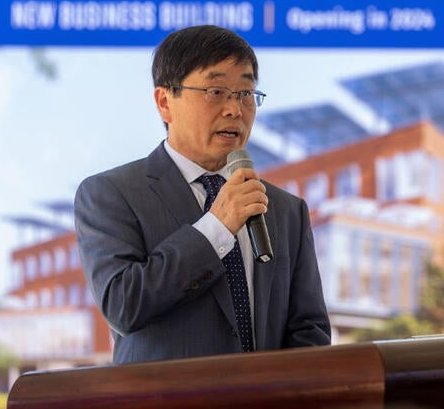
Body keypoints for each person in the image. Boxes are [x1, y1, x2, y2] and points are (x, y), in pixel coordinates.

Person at [74, 25, 331, 364]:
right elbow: (124, 306)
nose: (235, 110)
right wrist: (217, 227)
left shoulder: (285, 209)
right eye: (216, 91)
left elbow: (308, 331)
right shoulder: (110, 194)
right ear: (165, 102)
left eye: (245, 93)